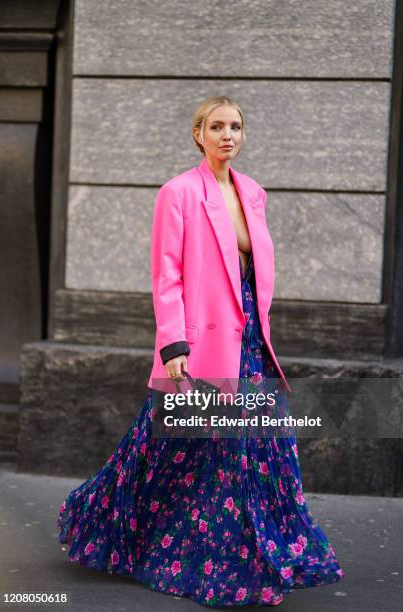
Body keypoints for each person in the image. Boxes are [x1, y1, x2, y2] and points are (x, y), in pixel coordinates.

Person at [57, 95, 344, 606]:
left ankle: (258, 554)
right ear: (198, 134)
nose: (227, 135)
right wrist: (173, 343)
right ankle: (114, 529)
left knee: (252, 450)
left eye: (235, 126)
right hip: (200, 344)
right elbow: (166, 274)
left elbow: (251, 275)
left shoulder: (253, 192)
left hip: (251, 341)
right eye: (216, 126)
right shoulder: (178, 193)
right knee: (167, 445)